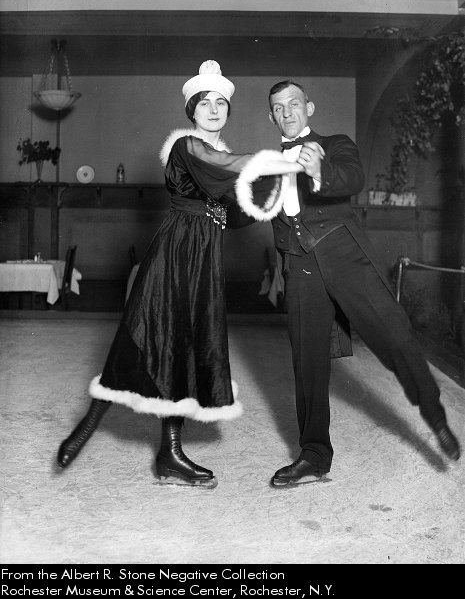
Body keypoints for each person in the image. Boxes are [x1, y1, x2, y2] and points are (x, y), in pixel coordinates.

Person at [56, 61, 302, 488]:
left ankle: (169, 453)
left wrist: (275, 191)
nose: (213, 109)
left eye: (220, 103)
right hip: (175, 252)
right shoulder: (188, 146)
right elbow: (225, 166)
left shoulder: (219, 157)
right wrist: (280, 161)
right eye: (204, 103)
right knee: (141, 334)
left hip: (203, 256)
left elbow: (234, 209)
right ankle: (86, 426)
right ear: (191, 110)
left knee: (183, 344)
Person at [236, 79, 461, 488]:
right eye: (279, 108)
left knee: (394, 336)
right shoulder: (267, 165)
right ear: (271, 117)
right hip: (299, 265)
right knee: (307, 363)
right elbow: (243, 207)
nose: (287, 113)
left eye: (294, 104)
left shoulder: (335, 144)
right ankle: (314, 456)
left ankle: (435, 414)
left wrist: (318, 170)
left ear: (309, 108)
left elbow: (352, 177)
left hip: (344, 254)